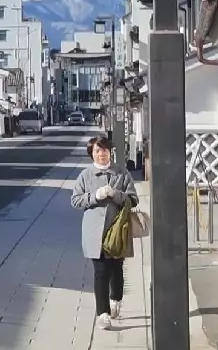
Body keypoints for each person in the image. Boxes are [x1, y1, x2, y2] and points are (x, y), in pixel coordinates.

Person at [70, 135, 139, 330]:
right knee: (100, 272)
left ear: (110, 152)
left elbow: (133, 200)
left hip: (117, 230)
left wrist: (115, 194)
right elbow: (75, 201)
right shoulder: (85, 175)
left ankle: (116, 299)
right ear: (91, 154)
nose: (101, 154)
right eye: (97, 151)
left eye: (105, 150)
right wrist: (95, 196)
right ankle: (103, 313)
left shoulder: (121, 173)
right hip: (95, 232)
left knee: (116, 269)